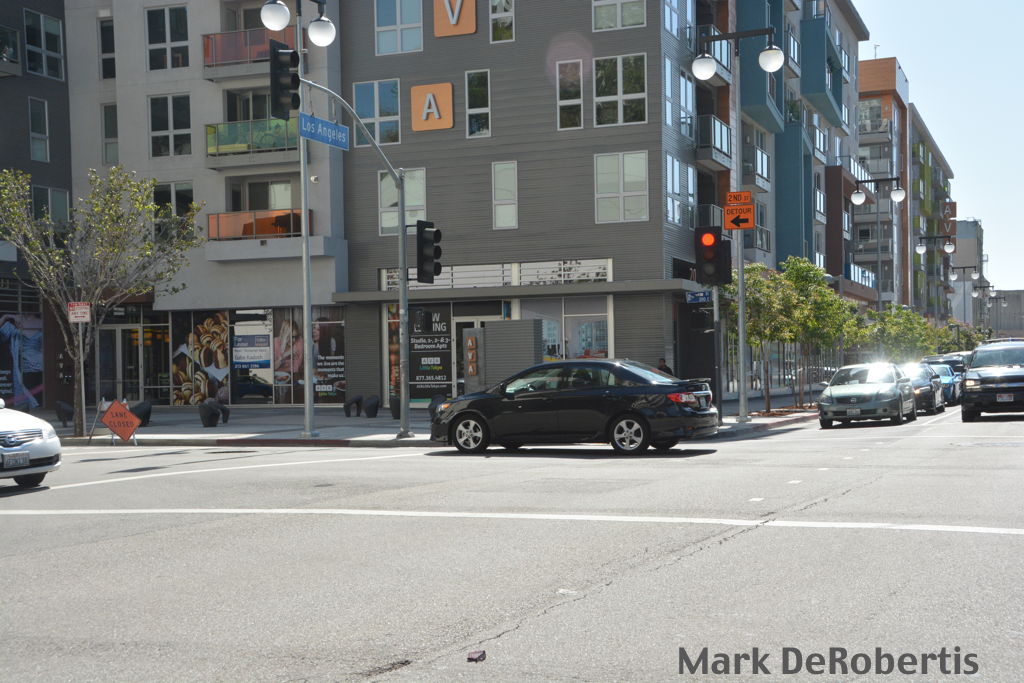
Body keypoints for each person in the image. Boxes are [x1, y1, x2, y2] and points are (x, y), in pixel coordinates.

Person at [0, 313, 43, 411]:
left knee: (36, 389)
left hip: (39, 366)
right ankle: (29, 406)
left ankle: (36, 406)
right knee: (25, 387)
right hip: (23, 366)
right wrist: (5, 317)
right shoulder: (13, 328)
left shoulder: (41, 323)